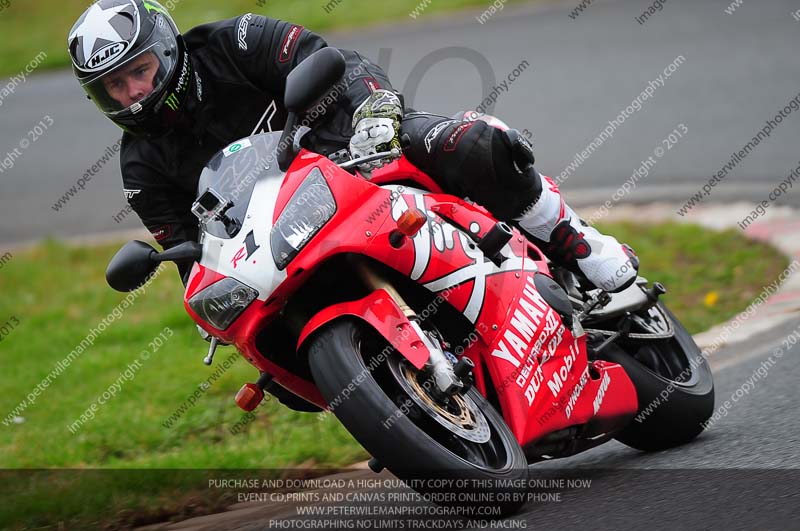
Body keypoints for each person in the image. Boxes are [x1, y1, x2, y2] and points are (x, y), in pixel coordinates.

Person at [68, 0, 638, 293]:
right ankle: (397, 390)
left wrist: (377, 109)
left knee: (469, 143)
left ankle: (579, 242)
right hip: (286, 242)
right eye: (115, 87)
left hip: (359, 155)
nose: (134, 93)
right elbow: (191, 256)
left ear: (165, 50)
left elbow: (334, 62)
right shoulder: (139, 168)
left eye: (138, 71)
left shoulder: (235, 41)